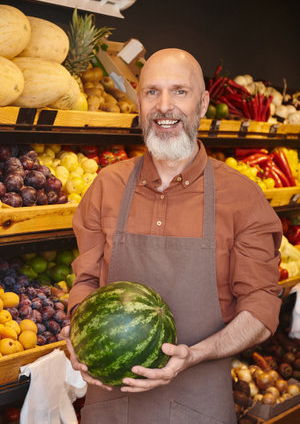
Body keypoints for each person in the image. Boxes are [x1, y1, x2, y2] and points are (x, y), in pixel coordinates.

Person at [62, 48, 282, 424]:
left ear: (203, 102)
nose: (165, 107)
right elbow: (84, 282)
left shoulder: (242, 196)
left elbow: (261, 306)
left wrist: (194, 355)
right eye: (152, 93)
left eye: (179, 91)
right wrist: (77, 337)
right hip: (108, 404)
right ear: (139, 103)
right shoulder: (107, 185)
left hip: (198, 405)